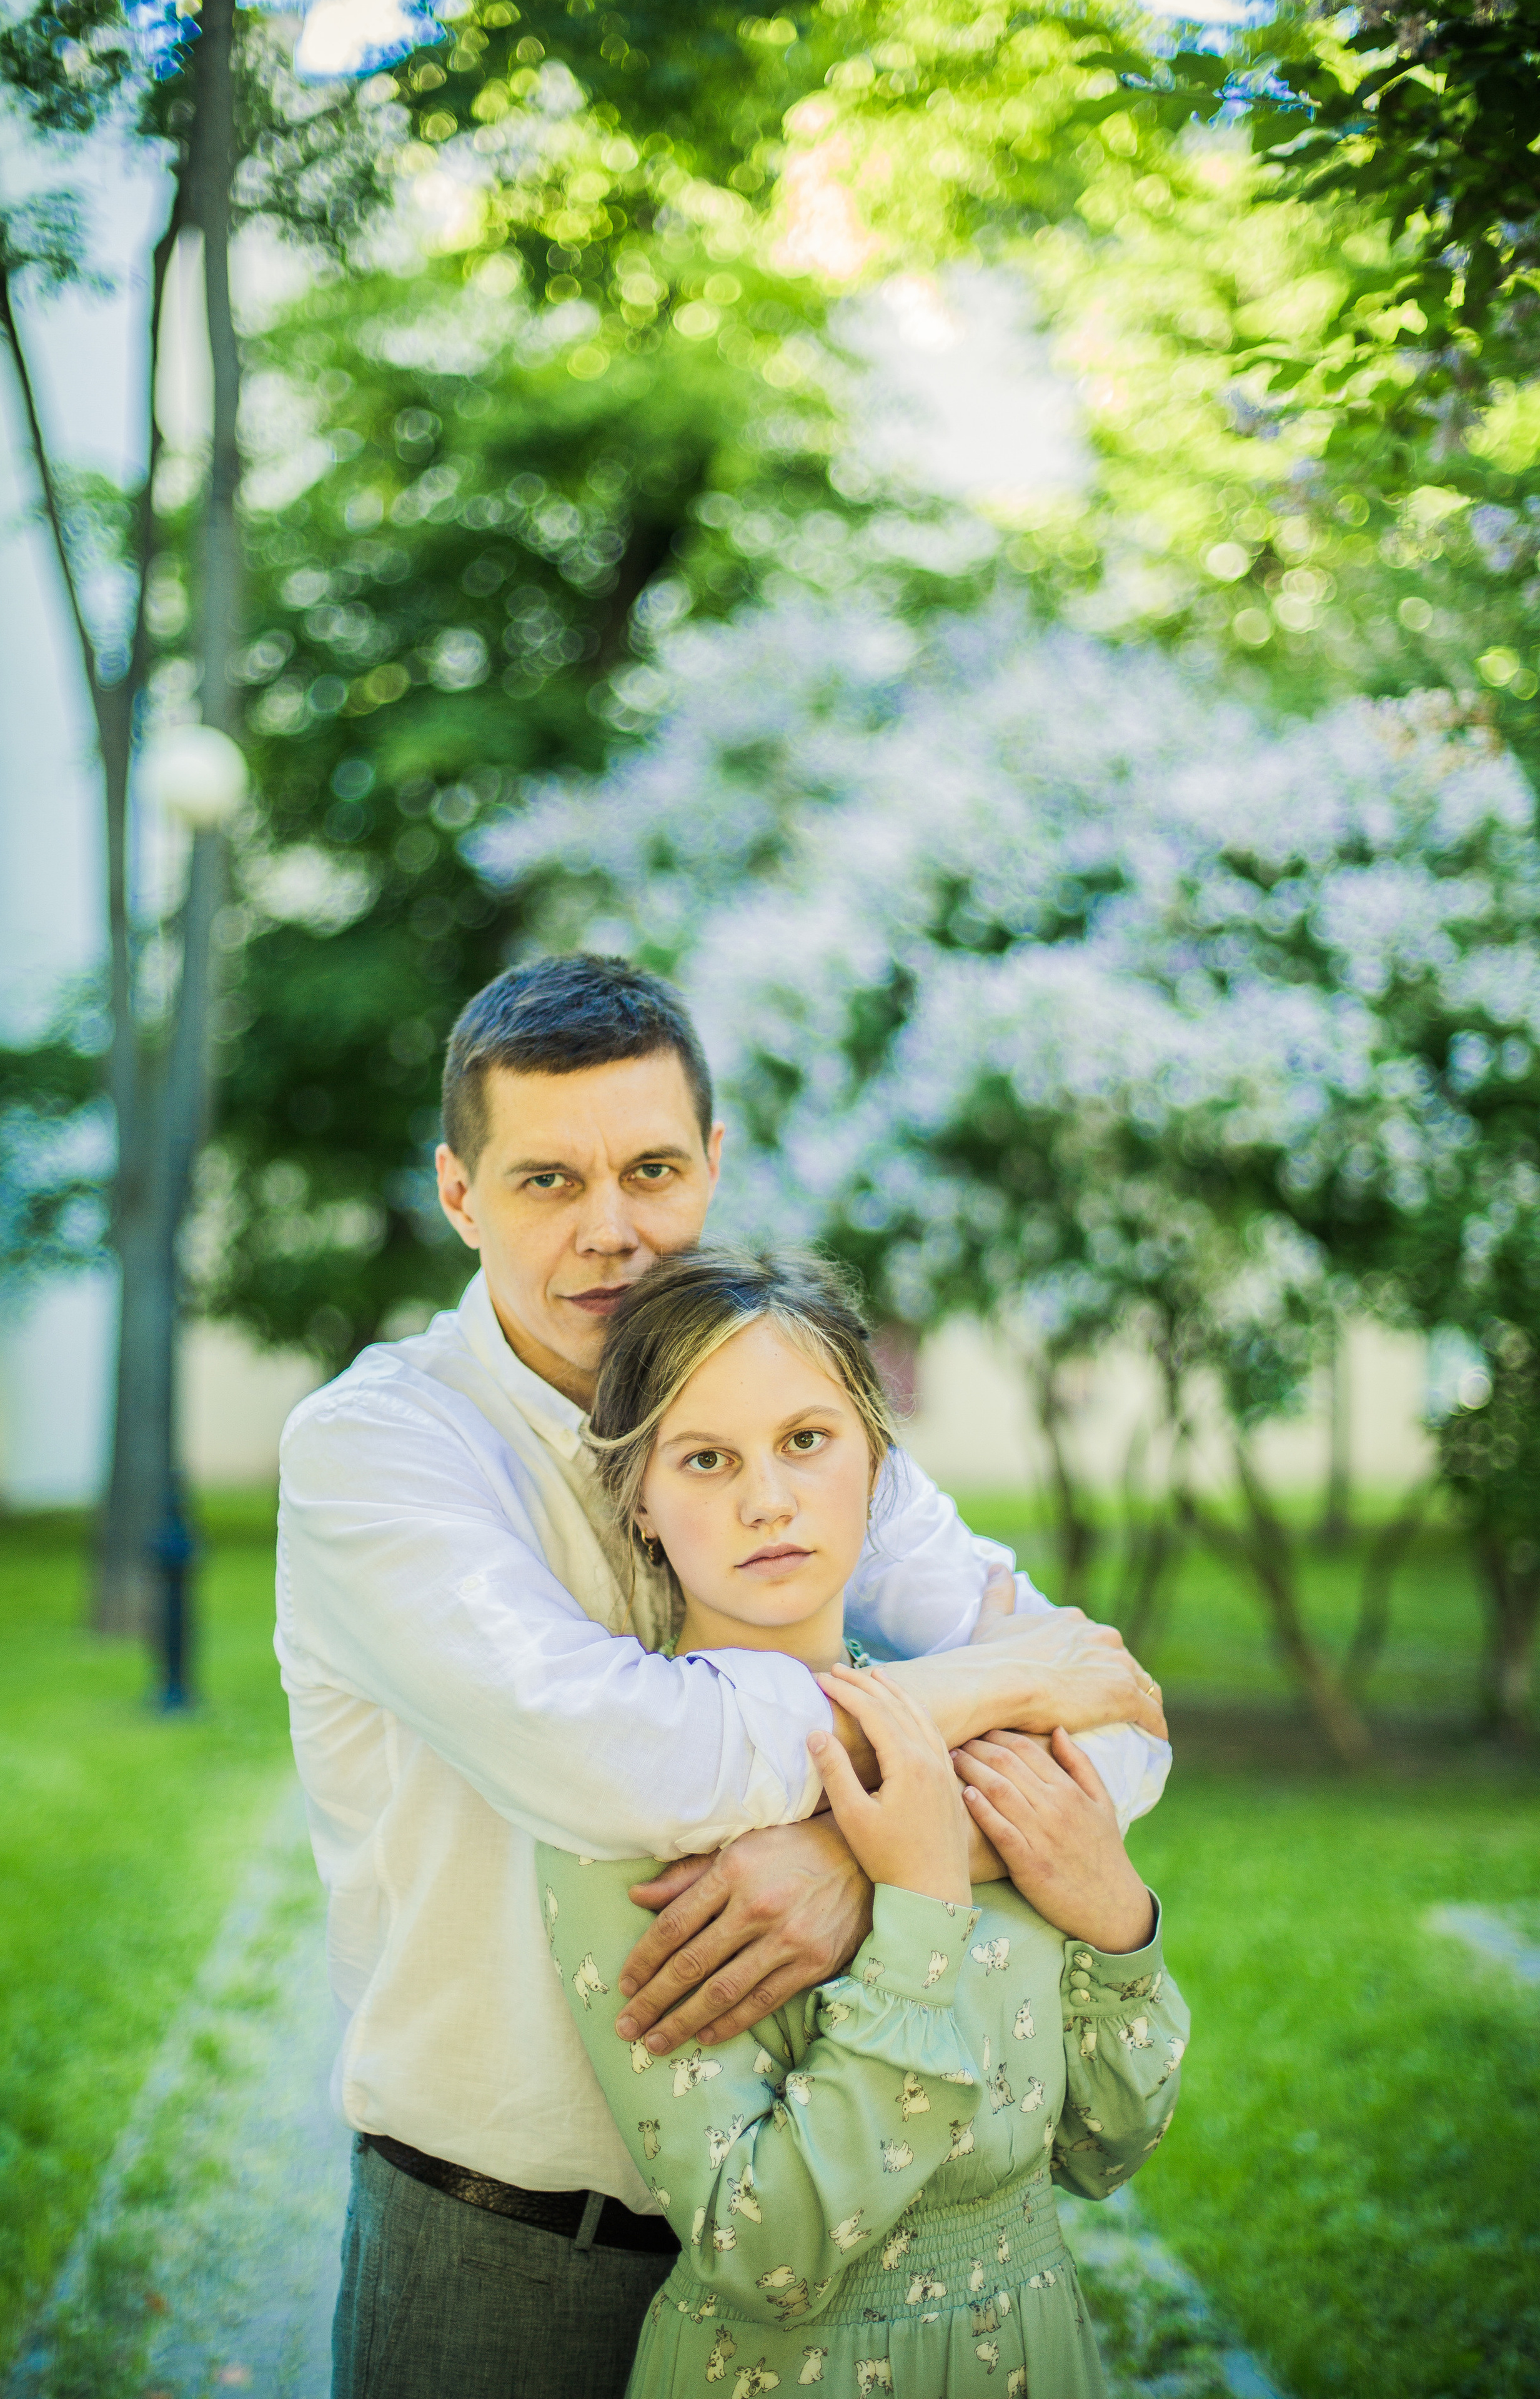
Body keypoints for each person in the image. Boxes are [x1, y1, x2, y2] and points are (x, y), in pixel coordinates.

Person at [275, 953, 1170, 2399]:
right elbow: (620, 1764)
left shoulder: (775, 1411)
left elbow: (1115, 1740)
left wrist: (849, 1857)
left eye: (649, 1170)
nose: (610, 1234)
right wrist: (936, 1735)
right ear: (457, 1196)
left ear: (714, 1164)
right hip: (507, 2246)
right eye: (545, 1183)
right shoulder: (380, 1450)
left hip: (836, 2255)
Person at [544, 1245, 1188, 2397]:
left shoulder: (982, 1738)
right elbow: (762, 2255)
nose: (769, 1500)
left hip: (1038, 2350)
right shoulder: (624, 1812)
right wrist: (922, 1913)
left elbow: (1108, 2149)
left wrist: (1117, 1920)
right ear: (640, 1503)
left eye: (806, 1440)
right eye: (705, 1459)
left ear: (876, 1459)